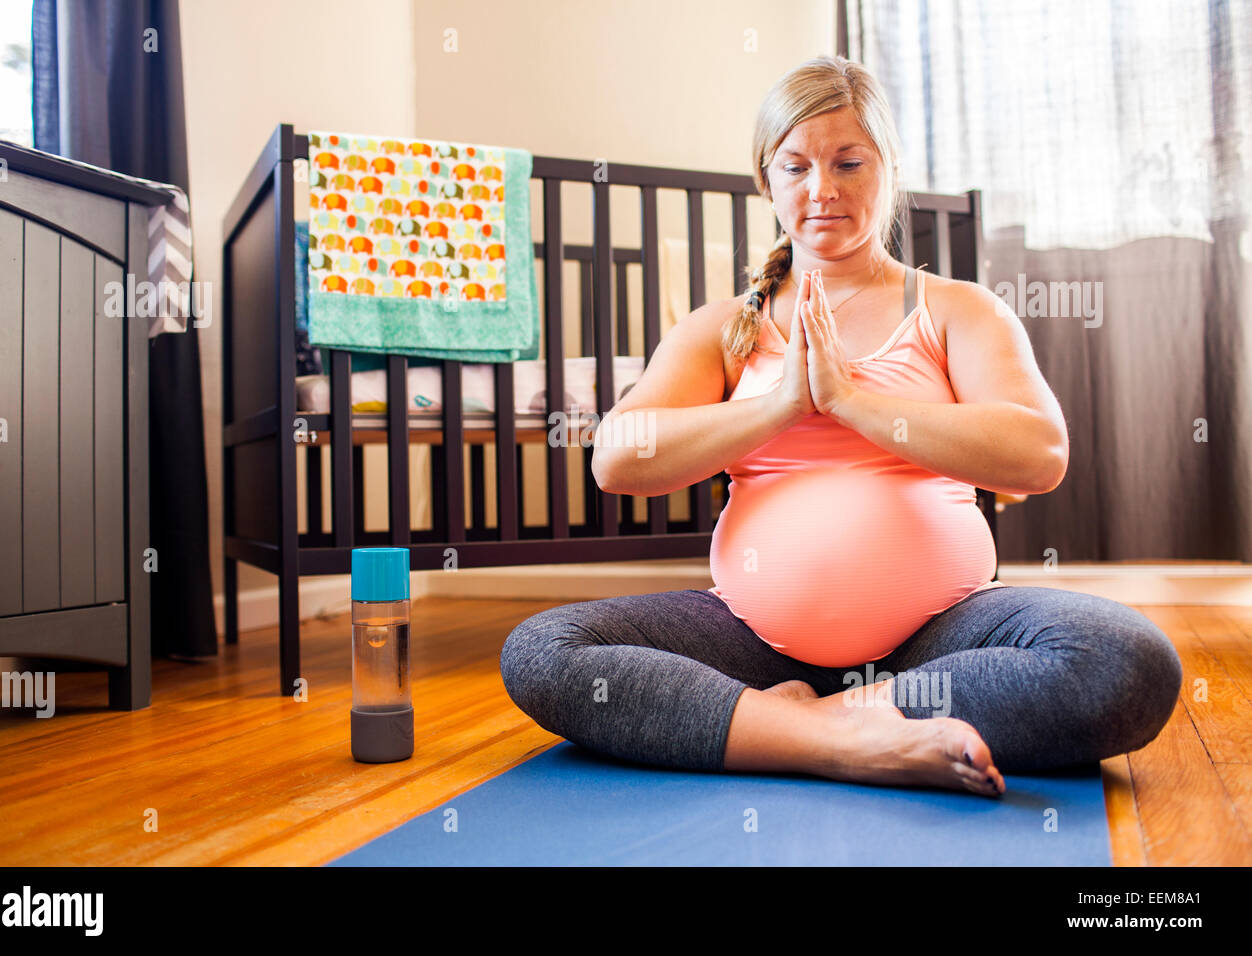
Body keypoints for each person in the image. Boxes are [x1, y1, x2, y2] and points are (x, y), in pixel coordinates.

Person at [499, 54, 1182, 797]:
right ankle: (835, 740)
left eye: (848, 163)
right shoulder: (724, 327)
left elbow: (1039, 453)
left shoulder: (957, 310)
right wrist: (779, 405)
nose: (821, 190)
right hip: (751, 641)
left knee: (1126, 660)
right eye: (795, 167)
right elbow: (616, 459)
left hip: (942, 639)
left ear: (887, 169)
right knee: (543, 650)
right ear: (767, 181)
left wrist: (854, 401)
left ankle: (825, 719)